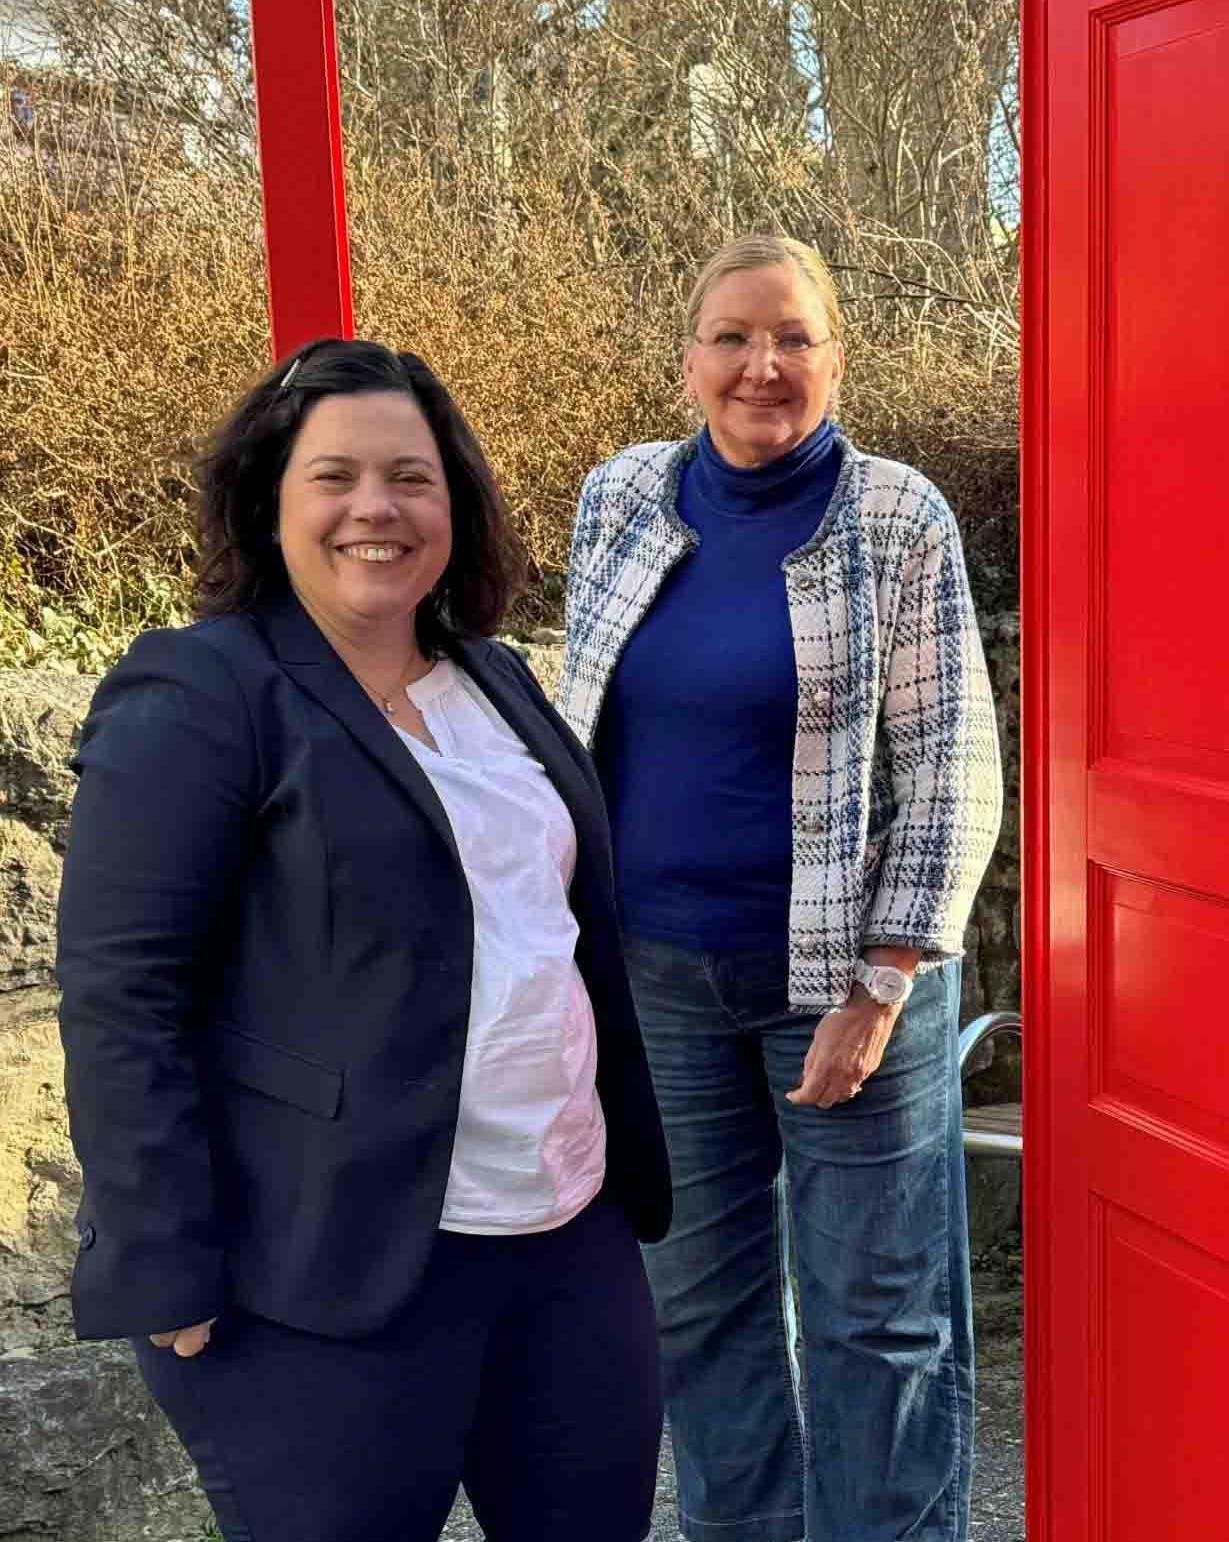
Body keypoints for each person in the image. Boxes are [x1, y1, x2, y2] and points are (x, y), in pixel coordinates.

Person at [57, 338, 672, 1542]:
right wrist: (161, 1255)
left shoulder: (498, 682)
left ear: (457, 504)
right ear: (269, 500)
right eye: (334, 477)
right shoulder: (203, 690)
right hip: (326, 1268)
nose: (375, 508)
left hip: (564, 1241)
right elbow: (124, 991)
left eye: (412, 476)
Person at [557, 234, 1002, 1542]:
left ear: (835, 360)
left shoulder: (896, 517)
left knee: (880, 1313)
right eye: (735, 337)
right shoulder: (621, 497)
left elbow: (955, 765)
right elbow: (582, 717)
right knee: (697, 1303)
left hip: (852, 984)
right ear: (690, 358)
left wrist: (884, 979)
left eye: (795, 338)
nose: (764, 365)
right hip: (660, 976)